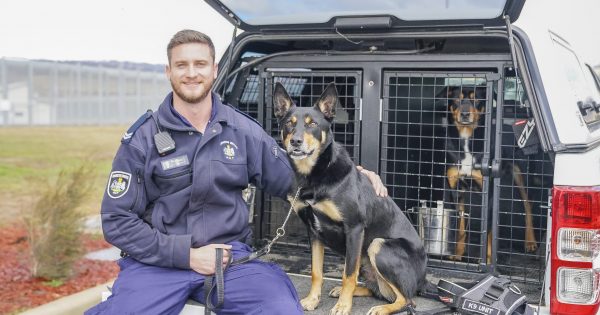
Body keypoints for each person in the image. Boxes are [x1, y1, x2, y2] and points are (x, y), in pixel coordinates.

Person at [85, 29, 387, 315]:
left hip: (231, 263)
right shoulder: (142, 139)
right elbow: (117, 221)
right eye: (182, 65)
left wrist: (355, 179)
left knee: (280, 308)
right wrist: (186, 256)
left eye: (200, 64)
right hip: (158, 266)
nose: (192, 73)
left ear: (214, 70)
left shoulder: (242, 131)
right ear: (169, 72)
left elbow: (295, 176)